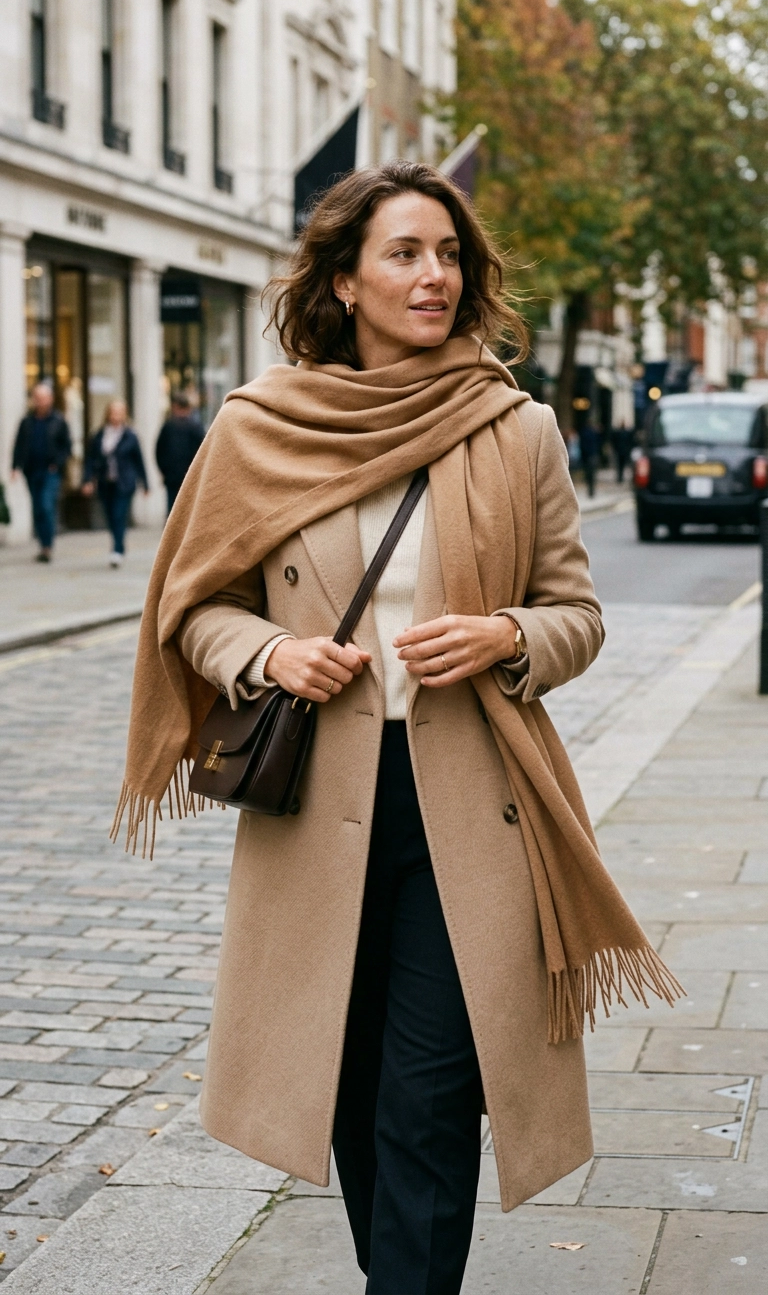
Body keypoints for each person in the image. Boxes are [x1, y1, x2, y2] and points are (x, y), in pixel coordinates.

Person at [111, 162, 681, 1293]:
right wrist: (270, 652)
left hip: (471, 809)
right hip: (314, 812)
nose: (434, 275)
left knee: (428, 1093)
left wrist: (508, 636)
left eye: (449, 254)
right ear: (343, 282)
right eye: (405, 253)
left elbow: (578, 612)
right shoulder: (259, 428)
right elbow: (195, 607)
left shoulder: (516, 432)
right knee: (354, 1085)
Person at [82, 400, 148, 567]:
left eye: (119, 413)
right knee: (110, 517)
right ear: (108, 414)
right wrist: (87, 479)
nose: (116, 416)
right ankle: (119, 544)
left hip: (124, 483)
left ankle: (117, 550)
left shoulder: (130, 435)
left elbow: (139, 461)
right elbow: (90, 459)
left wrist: (145, 483)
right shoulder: (99, 435)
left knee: (119, 515)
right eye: (113, 412)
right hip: (105, 482)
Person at [11, 383, 72, 562]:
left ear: (50, 399)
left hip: (50, 471)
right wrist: (15, 467)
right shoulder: (27, 421)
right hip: (31, 471)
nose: (40, 402)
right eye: (37, 398)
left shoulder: (59, 421)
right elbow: (19, 445)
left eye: (43, 398)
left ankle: (47, 546)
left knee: (46, 505)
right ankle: (43, 545)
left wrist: (57, 463)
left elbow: (67, 447)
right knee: (37, 508)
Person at [155, 390, 204, 514]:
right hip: (188, 475)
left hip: (174, 475)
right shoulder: (195, 427)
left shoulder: (169, 426)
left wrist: (164, 470)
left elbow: (159, 450)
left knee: (172, 509)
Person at [579, 422, 602, 498]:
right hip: (592, 455)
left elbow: (582, 445)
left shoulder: (584, 433)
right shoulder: (593, 433)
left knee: (589, 474)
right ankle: (591, 491)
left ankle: (590, 490)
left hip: (587, 456)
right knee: (592, 474)